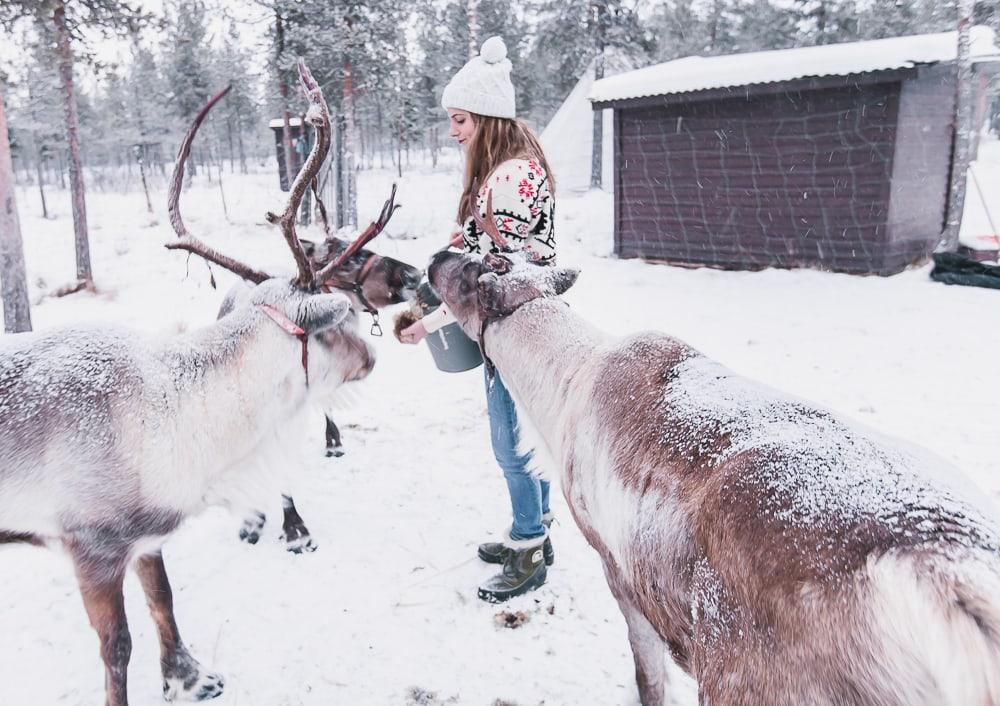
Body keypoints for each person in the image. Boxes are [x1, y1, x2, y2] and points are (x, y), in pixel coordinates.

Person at [399, 36, 557, 603]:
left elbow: (491, 282)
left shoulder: (510, 177)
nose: (453, 130)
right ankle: (534, 529)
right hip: (522, 327)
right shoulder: (510, 173)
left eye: (460, 119)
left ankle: (530, 545)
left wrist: (433, 319)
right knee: (524, 440)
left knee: (511, 445)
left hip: (516, 330)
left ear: (486, 116)